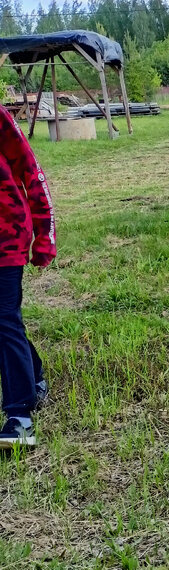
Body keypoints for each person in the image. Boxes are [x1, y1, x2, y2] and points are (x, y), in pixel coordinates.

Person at [0, 104, 56, 448]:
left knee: (4, 317)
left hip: (6, 235)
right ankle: (33, 374)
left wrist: (45, 232)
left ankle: (20, 414)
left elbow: (30, 169)